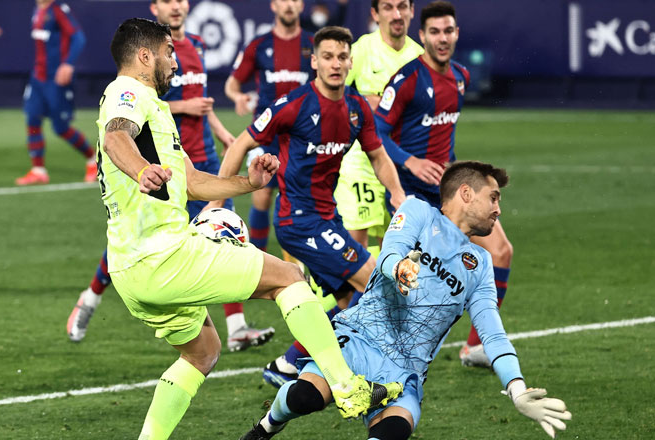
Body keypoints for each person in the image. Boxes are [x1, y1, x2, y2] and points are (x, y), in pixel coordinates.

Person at [97, 18, 402, 439]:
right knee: (289, 277)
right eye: (169, 53)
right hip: (161, 256)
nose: (175, 63)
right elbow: (116, 139)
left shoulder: (156, 109)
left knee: (202, 352)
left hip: (132, 269)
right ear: (145, 56)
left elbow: (194, 182)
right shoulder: (127, 92)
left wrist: (250, 183)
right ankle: (348, 390)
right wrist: (142, 171)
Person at [239, 161, 572, 440]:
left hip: (405, 371)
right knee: (304, 396)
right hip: (361, 338)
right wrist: (397, 267)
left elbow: (493, 333)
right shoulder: (419, 213)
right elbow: (390, 252)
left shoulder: (481, 264)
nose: (499, 209)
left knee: (394, 432)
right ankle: (266, 427)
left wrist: (517, 390)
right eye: (494, 197)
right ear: (466, 194)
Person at [66, 0, 276, 353]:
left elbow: (201, 102)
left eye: (181, 0)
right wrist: (149, 159)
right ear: (155, 9)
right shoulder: (144, 66)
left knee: (223, 229)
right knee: (143, 235)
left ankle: (236, 325)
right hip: (155, 160)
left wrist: (223, 135)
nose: (177, 6)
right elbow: (130, 120)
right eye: (168, 1)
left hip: (194, 154)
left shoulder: (192, 47)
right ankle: (90, 297)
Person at [218, 26, 406, 388]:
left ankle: (287, 365)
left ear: (351, 61)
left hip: (327, 218)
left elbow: (379, 156)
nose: (336, 64)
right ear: (314, 61)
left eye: (342, 57)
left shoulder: (356, 110)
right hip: (298, 221)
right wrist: (217, 201)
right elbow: (240, 144)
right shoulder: (294, 105)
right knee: (374, 285)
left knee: (352, 300)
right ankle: (351, 372)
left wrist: (397, 194)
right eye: (328, 57)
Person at [374, 1, 515, 368]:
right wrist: (411, 161)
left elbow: (442, 134)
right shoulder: (407, 79)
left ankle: (475, 347)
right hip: (413, 196)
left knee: (500, 252)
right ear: (421, 36)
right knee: (395, 284)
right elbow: (375, 131)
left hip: (449, 194)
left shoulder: (461, 77)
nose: (442, 38)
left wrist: (452, 168)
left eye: (448, 31)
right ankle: (312, 353)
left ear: (457, 34)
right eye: (434, 32)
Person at [224, 0, 314, 253]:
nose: (289, 5)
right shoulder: (259, 45)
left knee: (299, 201)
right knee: (262, 194)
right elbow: (231, 84)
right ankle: (259, 258)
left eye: (294, 0)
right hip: (267, 134)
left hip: (304, 136)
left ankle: (301, 262)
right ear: (274, 6)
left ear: (301, 5)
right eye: (283, 0)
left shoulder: (313, 45)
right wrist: (237, 96)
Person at [333, 0, 422, 251]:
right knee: (352, 252)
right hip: (361, 165)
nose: (397, 14)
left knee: (395, 251)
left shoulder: (419, 57)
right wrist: (361, 102)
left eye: (402, 6)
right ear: (375, 13)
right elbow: (330, 94)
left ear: (412, 11)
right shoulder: (361, 50)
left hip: (401, 167)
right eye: (388, 7)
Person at [16, 0, 97, 185]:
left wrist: (68, 64)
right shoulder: (37, 10)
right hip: (38, 77)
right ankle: (38, 170)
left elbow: (78, 37)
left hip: (56, 79)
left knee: (61, 128)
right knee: (32, 119)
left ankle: (93, 161)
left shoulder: (59, 10)